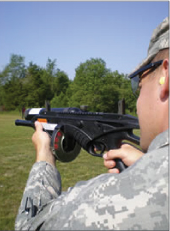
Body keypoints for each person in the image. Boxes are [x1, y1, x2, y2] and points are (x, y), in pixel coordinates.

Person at [15, 17, 169, 230]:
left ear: (165, 77)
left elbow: (29, 225)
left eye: (138, 84)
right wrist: (146, 165)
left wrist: (44, 156)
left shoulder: (103, 204)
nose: (138, 98)